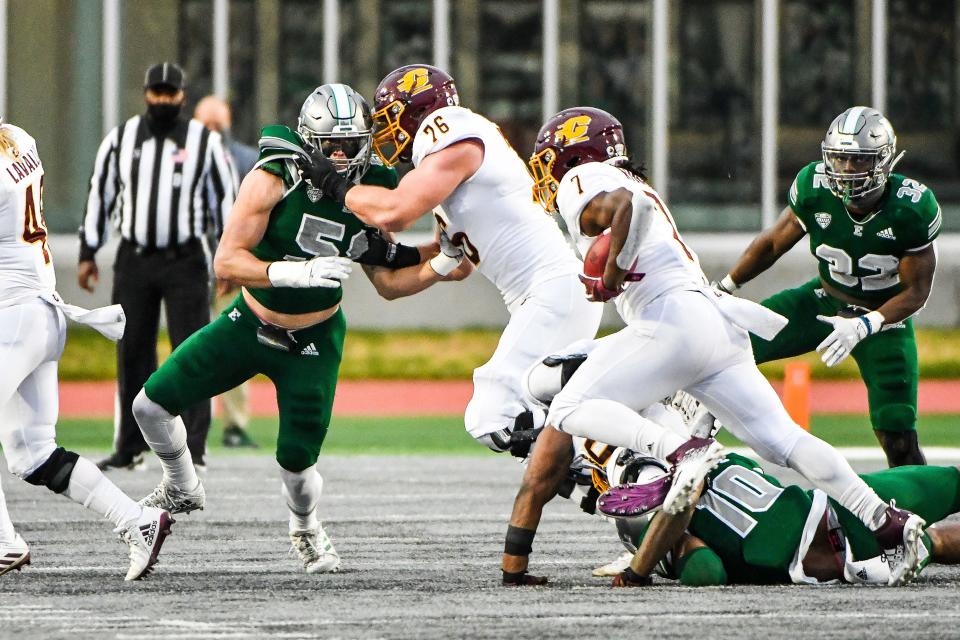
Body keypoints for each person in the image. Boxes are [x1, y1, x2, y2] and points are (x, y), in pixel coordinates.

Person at [499, 106, 926, 588]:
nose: (547, 174)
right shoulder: (636, 184)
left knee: (570, 404)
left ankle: (678, 449)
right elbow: (637, 208)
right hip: (715, 324)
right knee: (784, 441)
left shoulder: (584, 177)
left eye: (550, 161)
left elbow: (627, 208)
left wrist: (614, 269)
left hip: (671, 323)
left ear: (575, 155)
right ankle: (887, 522)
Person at [131, 83, 470, 574]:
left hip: (314, 337)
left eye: (349, 144)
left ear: (366, 142)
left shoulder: (376, 186)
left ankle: (306, 529)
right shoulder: (274, 176)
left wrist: (440, 266)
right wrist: (290, 272)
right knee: (149, 404)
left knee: (296, 464)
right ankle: (182, 483)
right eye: (329, 145)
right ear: (307, 142)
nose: (338, 156)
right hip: (249, 322)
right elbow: (227, 260)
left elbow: (389, 282)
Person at [300, 64, 603, 454]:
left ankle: (612, 422)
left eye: (392, 120)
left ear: (418, 111)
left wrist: (334, 185)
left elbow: (396, 212)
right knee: (528, 416)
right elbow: (458, 266)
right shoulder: (448, 179)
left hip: (553, 292)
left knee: (492, 415)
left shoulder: (450, 128)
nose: (389, 134)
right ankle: (616, 458)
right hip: (550, 296)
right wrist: (429, 259)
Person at [715, 107, 940, 467]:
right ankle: (685, 444)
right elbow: (774, 243)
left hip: (883, 320)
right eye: (839, 157)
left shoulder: (911, 208)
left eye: (857, 159)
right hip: (822, 299)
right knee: (722, 349)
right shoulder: (814, 188)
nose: (846, 168)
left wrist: (867, 324)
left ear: (883, 161)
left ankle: (919, 513)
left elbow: (916, 292)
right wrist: (724, 287)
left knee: (898, 437)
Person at [0, 121, 173, 581]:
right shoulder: (20, 137)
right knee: (32, 453)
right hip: (41, 315)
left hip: (14, 318)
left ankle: (3, 542)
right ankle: (137, 521)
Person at [79, 63, 236, 471]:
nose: (163, 101)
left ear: (182, 96)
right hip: (135, 258)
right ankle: (130, 446)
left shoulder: (204, 141)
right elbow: (102, 192)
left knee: (193, 351)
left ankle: (194, 446)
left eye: (171, 94)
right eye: (157, 93)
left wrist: (229, 259)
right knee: (132, 350)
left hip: (185, 259)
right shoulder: (122, 138)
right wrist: (87, 251)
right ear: (147, 93)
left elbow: (226, 201)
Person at [609, 452, 960, 588]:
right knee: (951, 484)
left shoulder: (674, 525)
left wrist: (643, 568)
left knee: (935, 542)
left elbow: (706, 571)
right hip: (847, 503)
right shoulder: (712, 455)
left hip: (831, 558)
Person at [194, 95, 257, 448]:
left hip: (229, 270)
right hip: (189, 267)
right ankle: (187, 421)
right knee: (188, 344)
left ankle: (234, 424)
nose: (214, 133)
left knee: (233, 346)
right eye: (208, 126)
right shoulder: (181, 158)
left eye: (218, 126)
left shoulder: (246, 160)